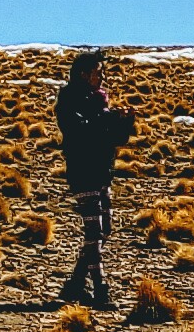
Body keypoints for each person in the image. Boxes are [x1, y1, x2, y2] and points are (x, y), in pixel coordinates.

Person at [55, 50, 135, 309]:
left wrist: (124, 123)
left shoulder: (100, 103)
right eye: (97, 72)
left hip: (101, 172)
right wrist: (107, 119)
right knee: (95, 231)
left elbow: (112, 138)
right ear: (83, 74)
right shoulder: (69, 101)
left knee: (104, 230)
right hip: (83, 172)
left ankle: (76, 284)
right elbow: (80, 130)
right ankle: (100, 289)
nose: (101, 77)